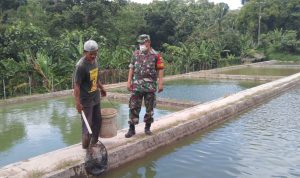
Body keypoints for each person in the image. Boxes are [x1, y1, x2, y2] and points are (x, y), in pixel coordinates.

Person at [125, 34, 164, 138]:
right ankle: (131, 129)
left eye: (143, 42)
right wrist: (129, 82)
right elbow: (131, 68)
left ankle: (147, 128)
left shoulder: (156, 55)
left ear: (148, 42)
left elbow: (160, 69)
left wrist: (160, 83)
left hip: (150, 86)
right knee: (133, 107)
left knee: (149, 108)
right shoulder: (136, 54)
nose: (141, 45)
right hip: (136, 86)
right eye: (140, 43)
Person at [73, 39, 107, 149]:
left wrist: (102, 89)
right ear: (84, 52)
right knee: (87, 125)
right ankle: (85, 147)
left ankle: (94, 143)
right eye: (91, 54)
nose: (93, 56)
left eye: (95, 53)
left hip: (95, 96)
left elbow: (96, 79)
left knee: (98, 121)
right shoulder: (81, 66)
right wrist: (78, 103)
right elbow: (77, 85)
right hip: (86, 99)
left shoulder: (95, 62)